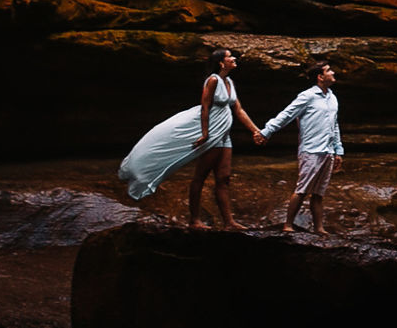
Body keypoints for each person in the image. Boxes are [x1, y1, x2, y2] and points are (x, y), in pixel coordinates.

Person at [118, 48, 266, 228]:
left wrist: (256, 131)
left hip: (224, 135)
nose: (234, 58)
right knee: (200, 176)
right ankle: (194, 220)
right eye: (230, 56)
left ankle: (229, 222)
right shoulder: (213, 80)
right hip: (212, 133)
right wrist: (205, 134)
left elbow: (239, 110)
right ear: (221, 63)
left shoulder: (229, 81)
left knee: (224, 178)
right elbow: (205, 107)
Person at [259, 61, 344, 234]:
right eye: (329, 70)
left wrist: (338, 150)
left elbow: (334, 125)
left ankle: (319, 228)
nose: (333, 72)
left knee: (319, 193)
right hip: (311, 150)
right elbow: (287, 114)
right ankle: (288, 225)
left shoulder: (332, 98)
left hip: (328, 151)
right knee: (302, 189)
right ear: (320, 77)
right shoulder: (307, 96)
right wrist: (266, 131)